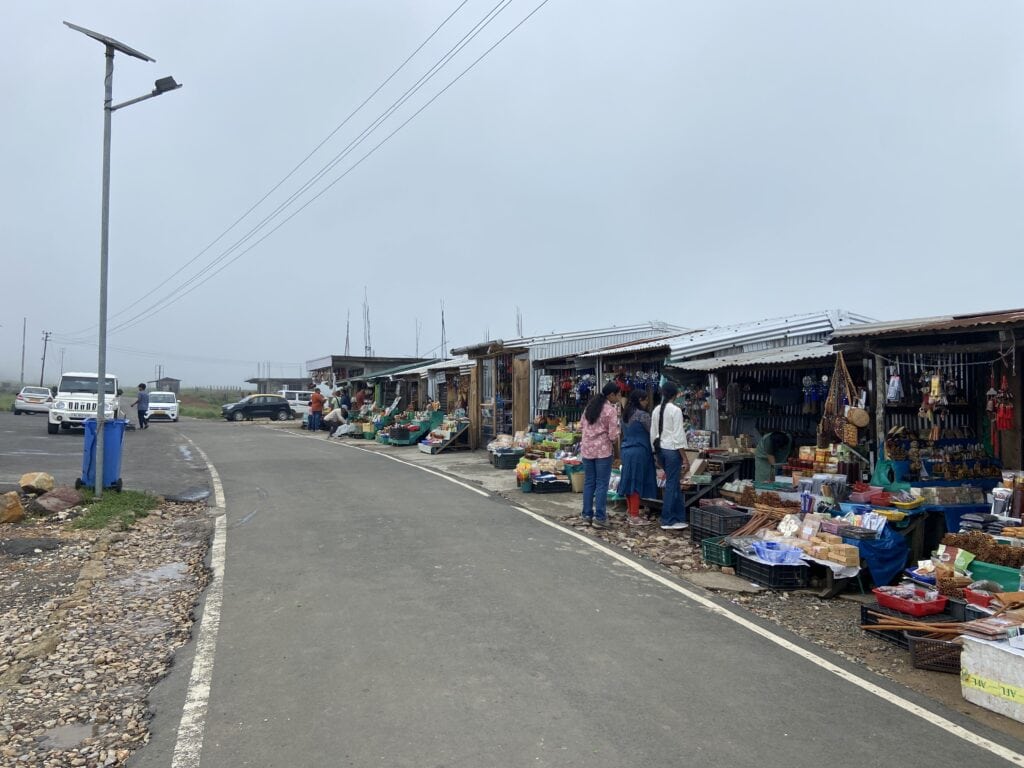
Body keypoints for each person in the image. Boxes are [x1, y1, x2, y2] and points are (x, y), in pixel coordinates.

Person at [579, 381, 621, 529]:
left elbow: (581, 426)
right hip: (603, 452)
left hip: (587, 450)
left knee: (589, 482)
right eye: (618, 394)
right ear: (611, 395)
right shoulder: (611, 411)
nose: (619, 397)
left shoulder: (590, 407)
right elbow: (613, 436)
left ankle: (586, 515)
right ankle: (600, 517)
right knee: (602, 484)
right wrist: (617, 453)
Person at [650, 381, 689, 530]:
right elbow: (678, 436)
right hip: (672, 451)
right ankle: (667, 519)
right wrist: (685, 458)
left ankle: (678, 517)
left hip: (660, 450)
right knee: (672, 484)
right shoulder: (675, 410)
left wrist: (656, 455)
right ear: (675, 394)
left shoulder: (656, 410)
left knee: (673, 485)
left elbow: (653, 434)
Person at [618, 389, 657, 526]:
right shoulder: (643, 416)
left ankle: (631, 512)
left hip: (626, 451)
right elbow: (653, 433)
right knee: (636, 482)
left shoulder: (625, 415)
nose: (647, 402)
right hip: (639, 451)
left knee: (629, 481)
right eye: (645, 400)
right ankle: (634, 516)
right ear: (640, 400)